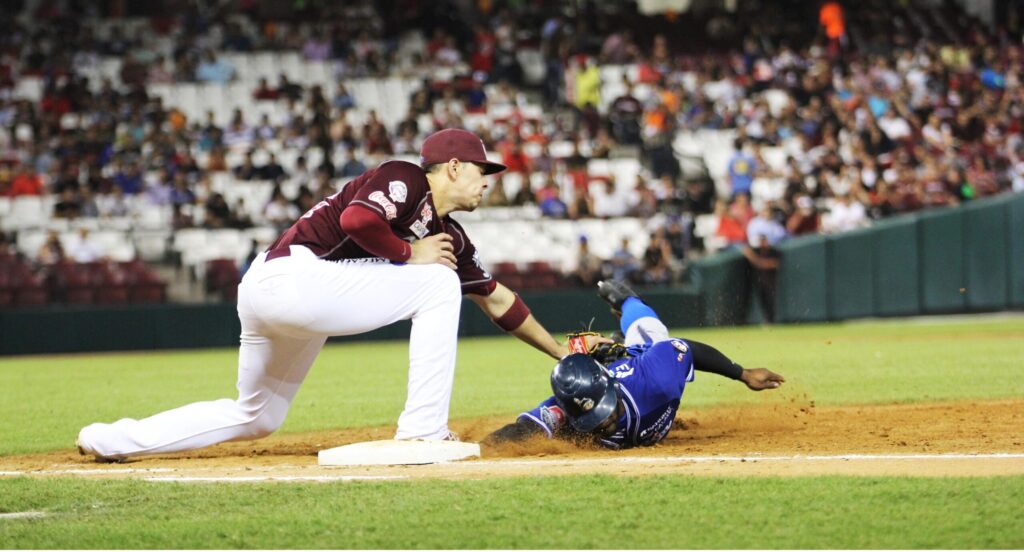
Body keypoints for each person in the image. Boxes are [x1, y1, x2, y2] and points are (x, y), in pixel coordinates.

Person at [77, 129, 571, 461]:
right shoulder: (405, 176)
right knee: (439, 283)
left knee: (257, 415)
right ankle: (423, 430)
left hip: (280, 294)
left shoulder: (450, 237)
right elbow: (359, 219)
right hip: (292, 279)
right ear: (454, 166)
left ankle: (109, 439)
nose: (488, 181)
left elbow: (496, 298)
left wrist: (561, 350)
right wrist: (407, 253)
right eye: (482, 170)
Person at [484, 281, 785, 448]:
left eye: (603, 410)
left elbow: (688, 350)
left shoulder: (656, 377)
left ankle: (620, 296)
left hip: (642, 356)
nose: (603, 422)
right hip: (611, 372)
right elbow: (522, 430)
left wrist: (743, 373)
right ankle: (612, 343)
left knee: (645, 323)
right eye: (593, 418)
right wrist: (477, 449)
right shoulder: (569, 404)